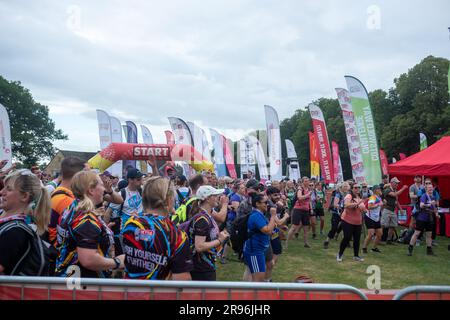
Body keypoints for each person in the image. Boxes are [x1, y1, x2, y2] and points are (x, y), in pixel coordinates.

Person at [55, 170, 124, 277]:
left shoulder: (72, 208)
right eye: (101, 185)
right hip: (82, 282)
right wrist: (117, 262)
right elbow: (88, 260)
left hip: (69, 276)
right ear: (91, 190)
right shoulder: (86, 219)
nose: (104, 189)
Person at [121, 176, 193, 280]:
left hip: (130, 292)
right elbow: (182, 280)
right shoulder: (177, 235)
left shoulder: (131, 224)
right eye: (173, 198)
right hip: (160, 294)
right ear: (168, 200)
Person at [0, 169, 51, 275]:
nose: (2, 192)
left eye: (8, 189)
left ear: (24, 196)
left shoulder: (15, 232)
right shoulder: (9, 224)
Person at [189, 185, 229, 281]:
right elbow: (199, 246)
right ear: (207, 198)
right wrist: (220, 240)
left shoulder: (207, 215)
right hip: (201, 267)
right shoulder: (202, 219)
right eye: (215, 195)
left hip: (204, 264)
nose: (218, 197)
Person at [48, 157, 85, 248]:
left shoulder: (58, 193)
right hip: (62, 253)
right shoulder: (66, 200)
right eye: (86, 175)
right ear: (78, 176)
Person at [243, 193, 277, 282]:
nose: (267, 204)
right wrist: (273, 216)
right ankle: (251, 295)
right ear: (257, 204)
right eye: (265, 202)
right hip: (255, 251)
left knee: (258, 277)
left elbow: (267, 229)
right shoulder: (256, 216)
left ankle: (253, 293)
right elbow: (267, 230)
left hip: (261, 249)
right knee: (258, 279)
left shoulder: (260, 214)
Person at [337, 183, 366, 262]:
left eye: (358, 188)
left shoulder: (359, 197)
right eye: (355, 187)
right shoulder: (349, 196)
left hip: (358, 222)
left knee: (357, 239)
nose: (357, 189)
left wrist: (364, 209)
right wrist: (357, 204)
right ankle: (340, 254)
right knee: (347, 237)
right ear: (352, 189)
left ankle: (356, 256)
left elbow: (363, 208)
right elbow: (346, 205)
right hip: (347, 221)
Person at [407, 183, 439, 256]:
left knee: (429, 234)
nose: (431, 189)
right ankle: (410, 249)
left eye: (431, 188)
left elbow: (434, 208)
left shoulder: (433, 197)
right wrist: (429, 204)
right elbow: (421, 205)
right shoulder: (424, 196)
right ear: (426, 189)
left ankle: (429, 250)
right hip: (422, 218)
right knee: (417, 233)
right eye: (429, 188)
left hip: (429, 218)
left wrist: (437, 214)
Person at [265, 187, 290, 282]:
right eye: (275, 195)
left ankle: (267, 278)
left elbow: (274, 222)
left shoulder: (273, 204)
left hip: (273, 231)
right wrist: (286, 217)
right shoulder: (270, 205)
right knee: (271, 258)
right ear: (269, 195)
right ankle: (266, 279)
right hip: (268, 233)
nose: (278, 196)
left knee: (276, 254)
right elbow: (279, 221)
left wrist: (279, 227)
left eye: (278, 194)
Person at [286, 177, 312, 249]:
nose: (307, 182)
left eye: (308, 181)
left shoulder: (309, 189)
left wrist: (311, 208)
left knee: (306, 228)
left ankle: (306, 243)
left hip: (306, 210)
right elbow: (299, 197)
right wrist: (308, 194)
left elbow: (309, 201)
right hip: (298, 210)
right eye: (305, 181)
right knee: (294, 227)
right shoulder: (300, 189)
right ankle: (286, 243)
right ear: (302, 182)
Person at [381, 177, 408, 244]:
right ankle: (378, 238)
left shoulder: (395, 190)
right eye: (396, 183)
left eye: (397, 183)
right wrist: (403, 188)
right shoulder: (388, 190)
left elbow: (396, 201)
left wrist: (401, 209)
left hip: (392, 210)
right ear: (392, 183)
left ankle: (389, 240)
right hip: (386, 209)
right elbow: (395, 195)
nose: (397, 185)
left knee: (393, 225)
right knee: (383, 225)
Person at [324, 183, 349, 249]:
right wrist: (343, 207)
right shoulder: (338, 194)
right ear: (341, 187)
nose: (346, 188)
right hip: (336, 214)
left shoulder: (348, 195)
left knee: (346, 227)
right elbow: (335, 204)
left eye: (347, 186)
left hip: (345, 214)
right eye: (345, 186)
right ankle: (327, 240)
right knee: (334, 228)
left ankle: (346, 242)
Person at [362, 185, 383, 254]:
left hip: (376, 218)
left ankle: (374, 248)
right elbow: (369, 207)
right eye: (379, 189)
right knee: (371, 234)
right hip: (369, 217)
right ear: (375, 190)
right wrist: (378, 204)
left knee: (379, 234)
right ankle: (364, 248)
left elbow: (379, 207)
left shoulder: (378, 197)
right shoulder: (372, 197)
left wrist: (382, 204)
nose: (380, 190)